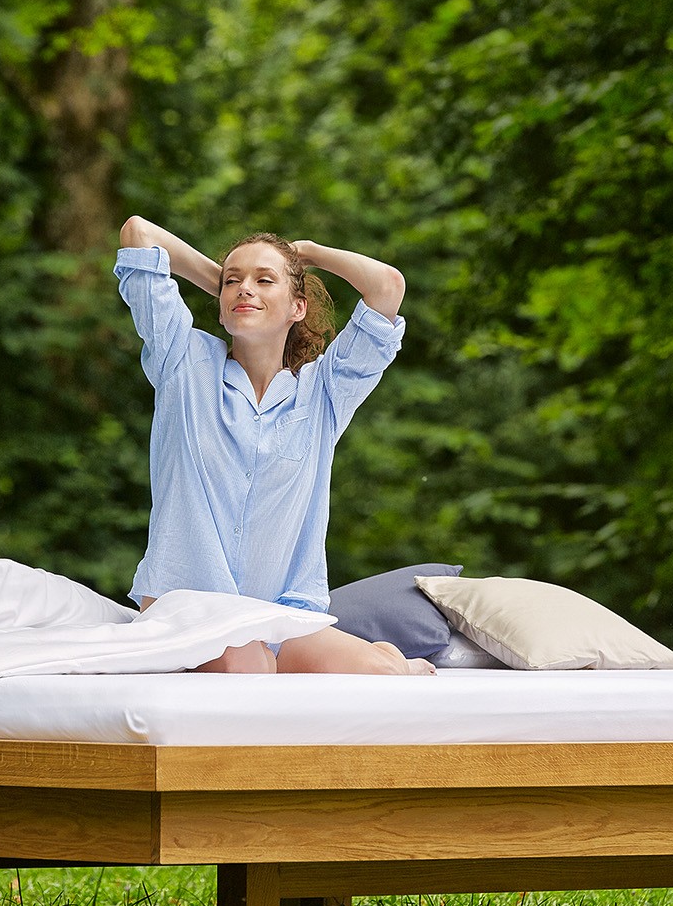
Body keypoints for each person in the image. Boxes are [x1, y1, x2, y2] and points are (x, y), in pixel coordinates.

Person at [115, 214, 434, 675]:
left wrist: (309, 253)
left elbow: (387, 286)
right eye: (233, 281)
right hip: (190, 604)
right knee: (248, 666)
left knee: (385, 676)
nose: (245, 288)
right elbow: (138, 233)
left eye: (264, 280)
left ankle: (386, 658)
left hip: (283, 613)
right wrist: (232, 287)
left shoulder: (325, 392)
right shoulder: (182, 360)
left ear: (297, 308)